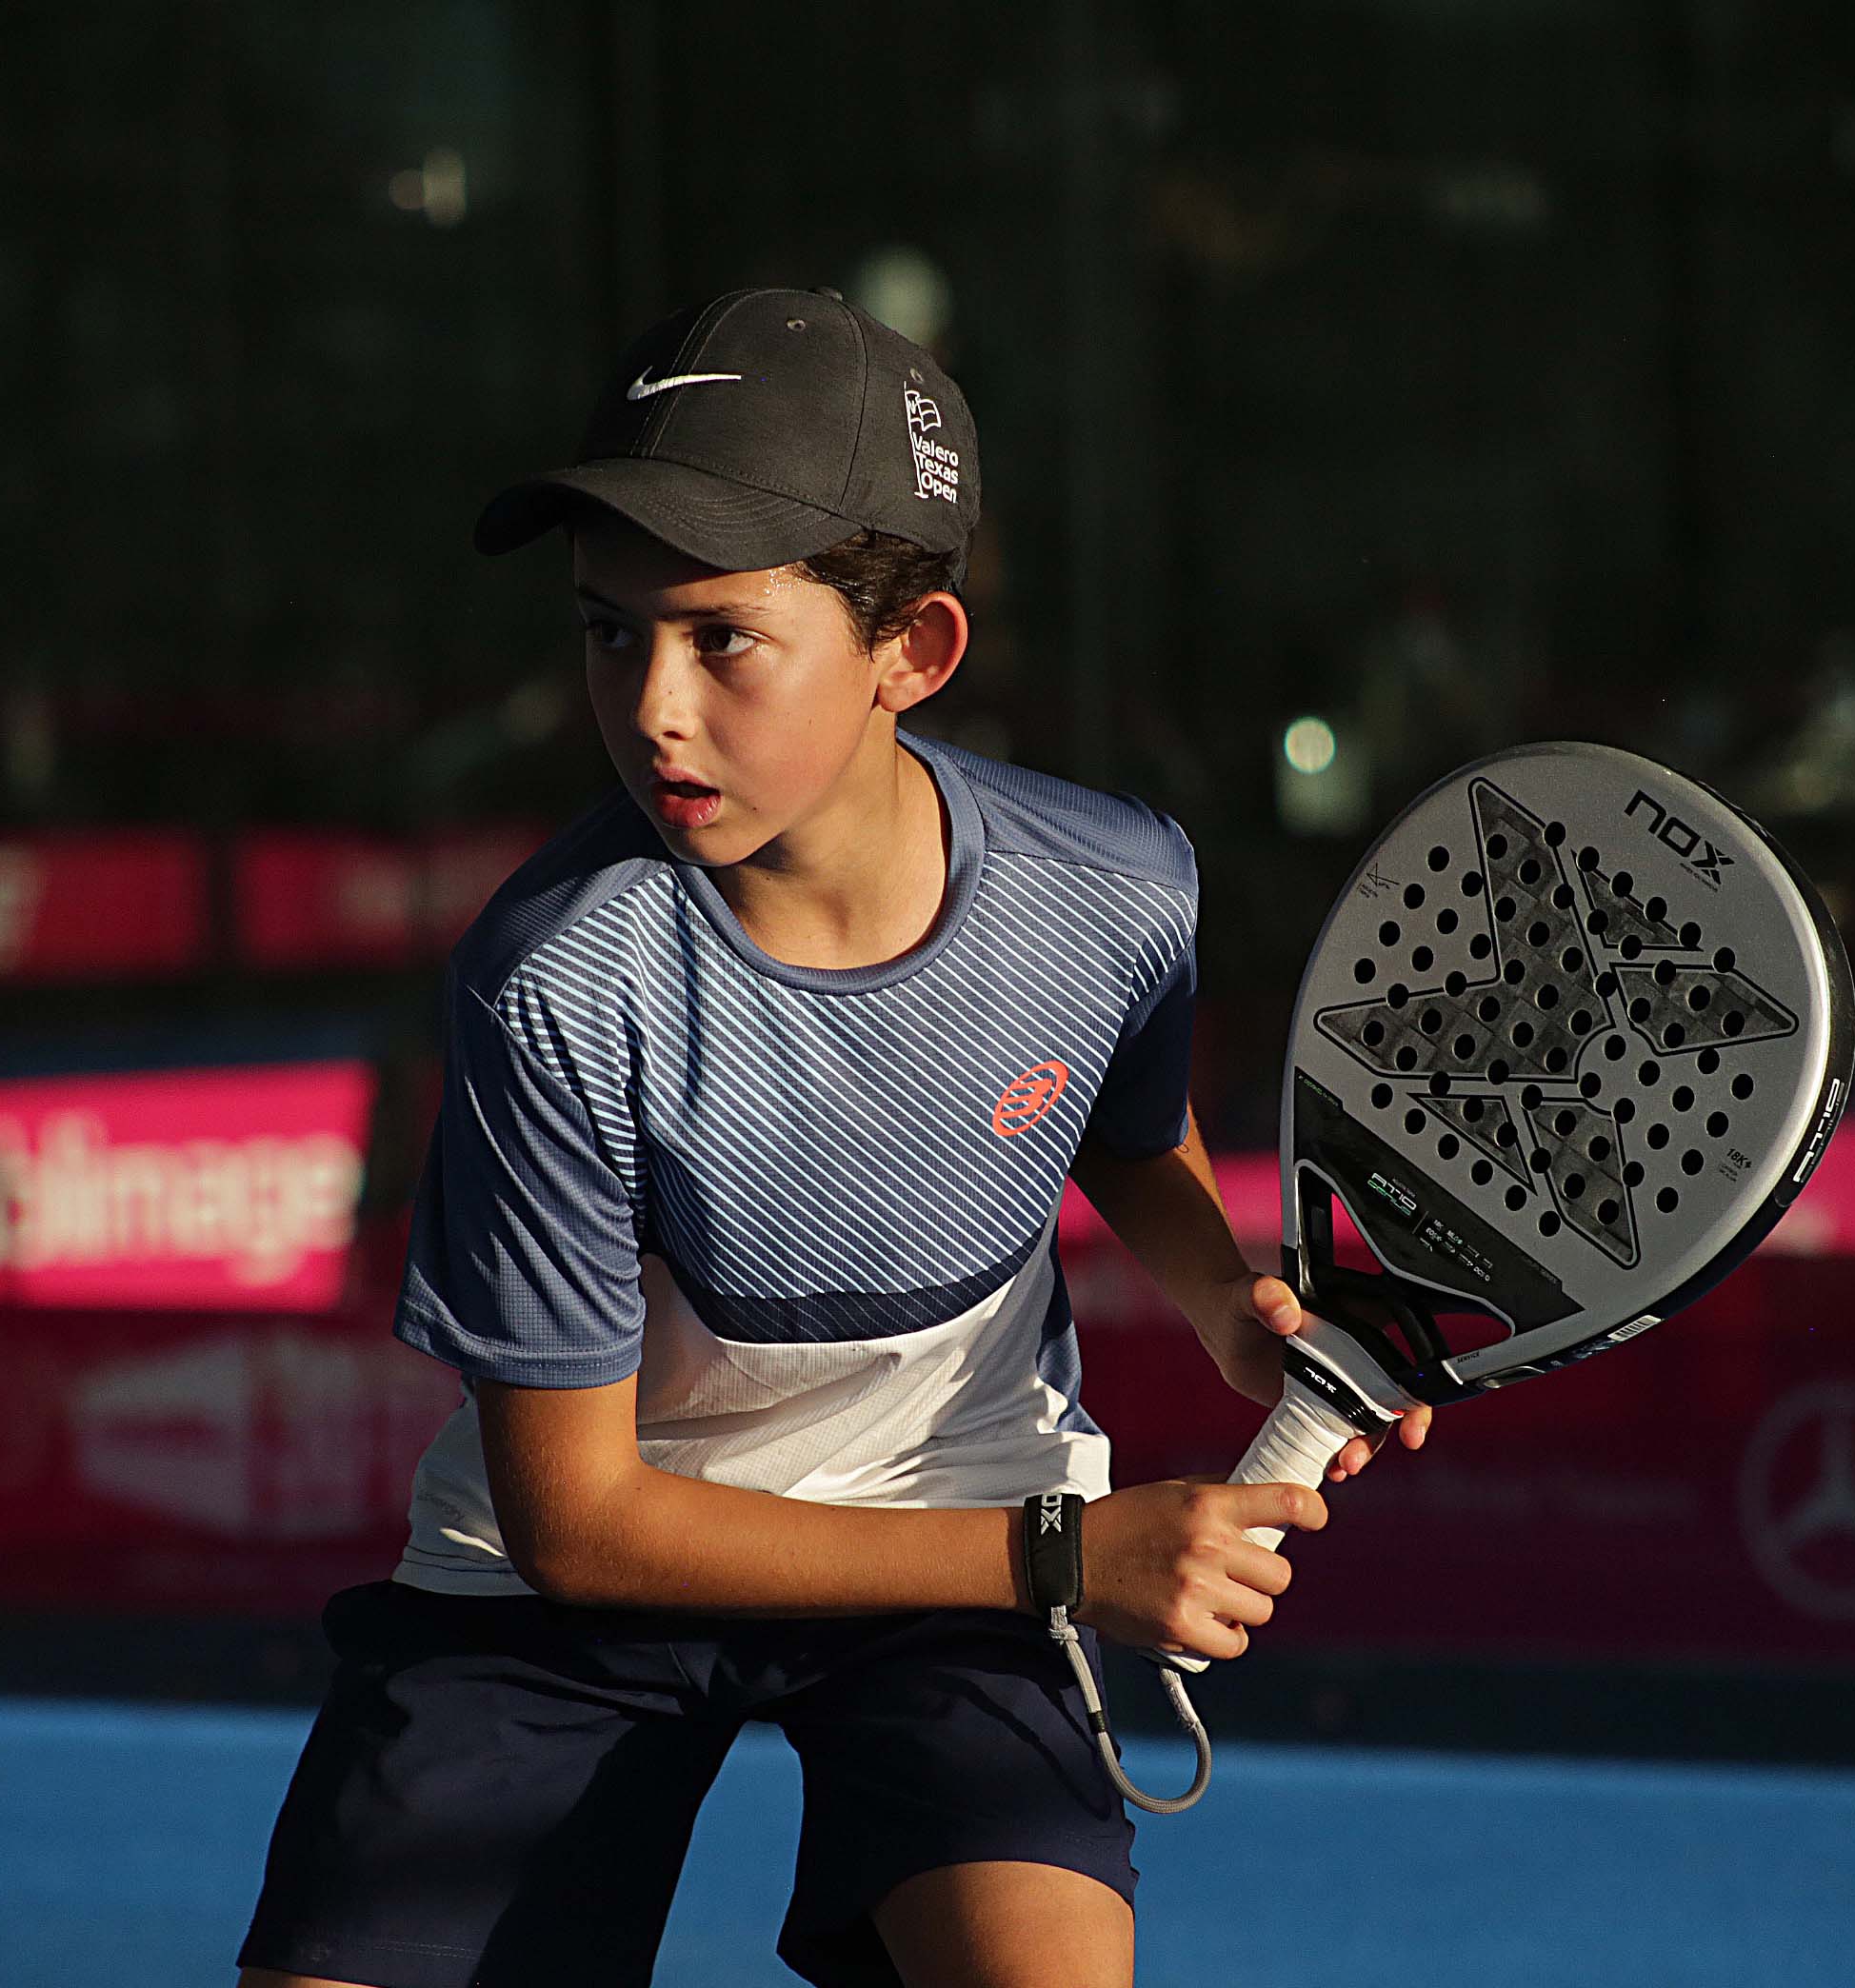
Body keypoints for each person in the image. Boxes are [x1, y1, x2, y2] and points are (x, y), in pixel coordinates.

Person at [236, 286, 1428, 1988]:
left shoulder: (1116, 887)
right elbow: (581, 1523)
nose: (653, 706)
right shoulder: (551, 982)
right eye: (608, 633)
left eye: (721, 638)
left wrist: (1230, 1308)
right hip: (579, 1585)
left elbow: (1116, 1122)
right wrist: (1064, 1558)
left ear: (911, 653)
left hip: (955, 1538)